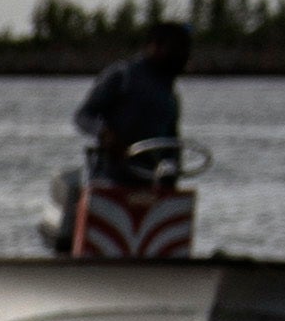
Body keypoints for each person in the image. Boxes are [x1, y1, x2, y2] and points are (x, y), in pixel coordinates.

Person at [51, 22, 192, 255]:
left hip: (149, 184)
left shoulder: (170, 95)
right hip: (110, 178)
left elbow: (172, 145)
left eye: (186, 50)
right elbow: (83, 116)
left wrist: (171, 177)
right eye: (177, 49)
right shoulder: (122, 76)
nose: (183, 57)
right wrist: (104, 133)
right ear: (154, 46)